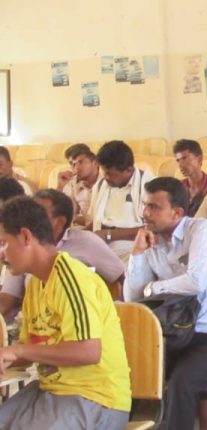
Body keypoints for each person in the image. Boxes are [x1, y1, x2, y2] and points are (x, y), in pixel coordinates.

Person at [123, 177, 207, 430]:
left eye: (154, 207)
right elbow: (133, 299)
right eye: (145, 205)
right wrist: (137, 254)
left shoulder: (204, 231)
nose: (145, 213)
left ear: (177, 213)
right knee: (125, 372)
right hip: (173, 335)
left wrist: (153, 289)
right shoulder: (151, 239)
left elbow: (196, 282)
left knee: (182, 383)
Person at [0, 197, 131, 429]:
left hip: (95, 398)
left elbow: (89, 351)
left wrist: (17, 350)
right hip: (51, 391)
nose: (1, 254)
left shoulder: (71, 278)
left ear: (26, 237)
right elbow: (31, 350)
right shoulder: (35, 284)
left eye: (3, 243)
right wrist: (7, 357)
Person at [0, 189, 125, 320]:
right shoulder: (31, 275)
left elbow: (121, 277)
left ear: (60, 222)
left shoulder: (74, 275)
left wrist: (123, 315)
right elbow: (7, 300)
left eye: (40, 216)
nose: (31, 222)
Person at [88, 140, 154, 261]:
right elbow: (95, 222)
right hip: (100, 243)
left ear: (129, 170)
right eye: (104, 172)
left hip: (133, 247)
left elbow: (153, 229)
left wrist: (109, 234)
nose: (106, 177)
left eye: (110, 174)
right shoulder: (100, 185)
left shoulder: (150, 185)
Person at [57, 143, 102, 225]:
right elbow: (63, 213)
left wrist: (83, 220)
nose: (76, 168)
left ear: (95, 162)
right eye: (72, 164)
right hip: (81, 228)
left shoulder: (107, 181)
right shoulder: (73, 183)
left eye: (80, 162)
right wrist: (61, 186)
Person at [173, 139, 207, 216]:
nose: (180, 165)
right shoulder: (178, 188)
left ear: (199, 159)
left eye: (184, 158)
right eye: (178, 160)